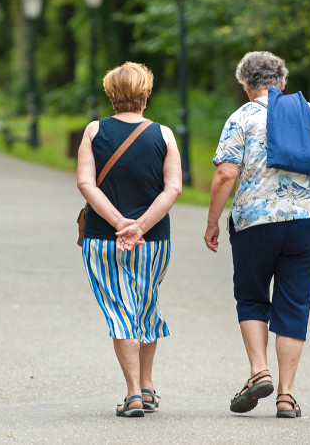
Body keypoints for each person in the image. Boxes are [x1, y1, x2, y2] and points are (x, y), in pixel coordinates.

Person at [203, 51, 310, 418]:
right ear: (282, 83)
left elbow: (224, 175)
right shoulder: (306, 112)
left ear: (246, 86)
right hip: (309, 220)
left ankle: (258, 371)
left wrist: (212, 222)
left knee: (251, 297)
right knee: (295, 302)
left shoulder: (242, 117)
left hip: (256, 222)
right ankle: (287, 395)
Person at [76, 62, 182, 418]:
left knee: (121, 312)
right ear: (145, 95)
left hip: (104, 238)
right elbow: (174, 188)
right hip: (153, 242)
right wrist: (141, 226)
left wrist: (121, 223)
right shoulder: (164, 134)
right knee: (145, 305)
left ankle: (134, 393)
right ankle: (148, 386)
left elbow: (86, 183)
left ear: (110, 94)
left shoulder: (94, 131)